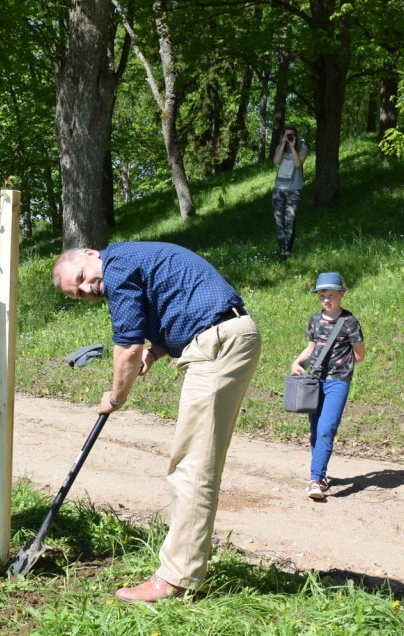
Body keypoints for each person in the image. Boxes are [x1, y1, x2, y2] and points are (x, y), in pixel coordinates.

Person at [52, 242, 261, 602]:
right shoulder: (130, 260)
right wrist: (160, 348)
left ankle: (176, 578)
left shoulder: (116, 266)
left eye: (83, 279)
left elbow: (127, 347)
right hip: (224, 335)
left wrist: (116, 398)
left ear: (89, 254)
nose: (88, 289)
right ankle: (187, 566)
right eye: (80, 294)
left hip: (217, 344)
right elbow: (178, 299)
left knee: (192, 466)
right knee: (195, 461)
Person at [289, 272, 366, 500]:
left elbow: (359, 356)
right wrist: (297, 362)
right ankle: (320, 475)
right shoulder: (314, 319)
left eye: (331, 295)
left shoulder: (350, 322)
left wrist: (340, 366)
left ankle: (314, 479)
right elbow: (311, 348)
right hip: (314, 381)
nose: (326, 300)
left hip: (337, 382)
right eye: (322, 295)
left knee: (326, 429)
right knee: (315, 430)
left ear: (342, 294)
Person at [272, 124, 309, 260]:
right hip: (279, 189)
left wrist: (293, 147)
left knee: (289, 219)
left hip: (294, 189)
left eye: (291, 135)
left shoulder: (302, 148)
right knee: (279, 221)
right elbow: (276, 161)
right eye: (286, 135)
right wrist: (283, 145)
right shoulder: (279, 148)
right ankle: (282, 250)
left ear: (295, 135)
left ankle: (287, 251)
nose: (288, 137)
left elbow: (298, 163)